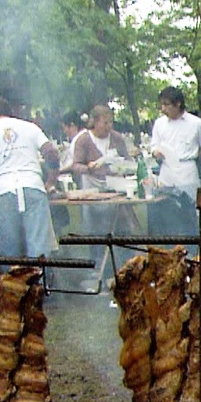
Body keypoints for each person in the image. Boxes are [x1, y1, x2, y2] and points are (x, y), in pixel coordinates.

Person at [0, 97, 60, 258]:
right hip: (33, 187)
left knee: (9, 250)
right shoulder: (30, 127)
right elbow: (52, 154)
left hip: (4, 191)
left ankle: (11, 281)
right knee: (38, 246)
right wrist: (51, 182)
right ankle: (41, 280)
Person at [69, 104, 135, 280]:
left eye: (111, 122)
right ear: (95, 122)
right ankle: (99, 270)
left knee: (120, 229)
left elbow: (128, 162)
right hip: (92, 190)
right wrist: (88, 167)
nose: (109, 126)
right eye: (105, 123)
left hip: (115, 188)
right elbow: (75, 165)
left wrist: (122, 166)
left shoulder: (117, 138)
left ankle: (123, 269)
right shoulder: (83, 139)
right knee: (96, 232)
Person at [147, 86, 201, 235]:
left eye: (166, 104)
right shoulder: (159, 124)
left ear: (178, 103)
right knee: (167, 215)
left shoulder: (195, 123)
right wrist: (155, 152)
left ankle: (191, 248)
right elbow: (153, 146)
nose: (163, 108)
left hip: (187, 172)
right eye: (162, 104)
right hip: (167, 174)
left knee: (189, 215)